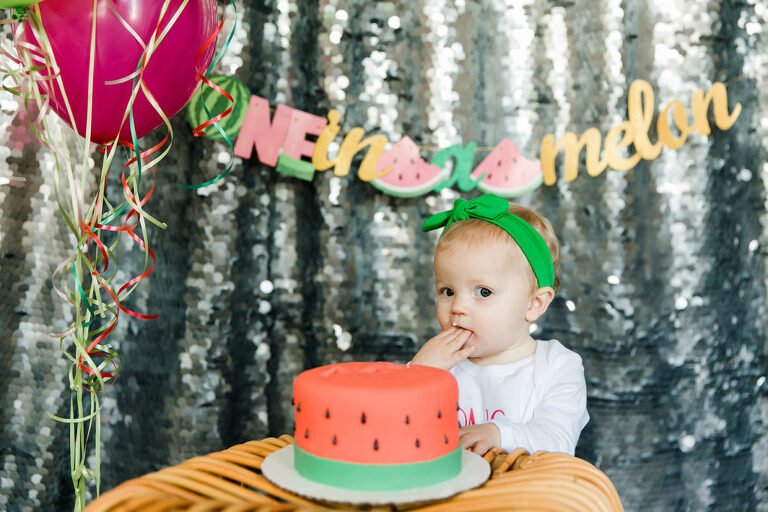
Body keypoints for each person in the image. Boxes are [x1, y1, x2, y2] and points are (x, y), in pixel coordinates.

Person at [411, 193, 589, 456]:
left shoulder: (557, 366)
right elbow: (395, 431)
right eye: (447, 291)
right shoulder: (438, 364)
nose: (458, 307)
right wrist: (417, 375)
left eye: (483, 292)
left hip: (524, 495)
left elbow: (558, 439)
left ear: (534, 304)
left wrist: (498, 433)